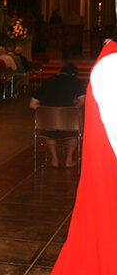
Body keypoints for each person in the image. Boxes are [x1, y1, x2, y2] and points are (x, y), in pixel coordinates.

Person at [51, 36, 117, 274]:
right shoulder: (111, 65)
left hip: (50, 123)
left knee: (57, 132)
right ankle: (67, 158)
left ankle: (61, 159)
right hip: (104, 166)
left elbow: (33, 104)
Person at [29, 63, 85, 168]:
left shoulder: (48, 81)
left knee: (49, 131)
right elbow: (82, 100)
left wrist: (46, 110)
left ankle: (55, 160)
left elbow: (32, 104)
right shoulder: (76, 81)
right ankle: (68, 160)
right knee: (74, 130)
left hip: (49, 122)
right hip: (68, 123)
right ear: (73, 74)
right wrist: (73, 109)